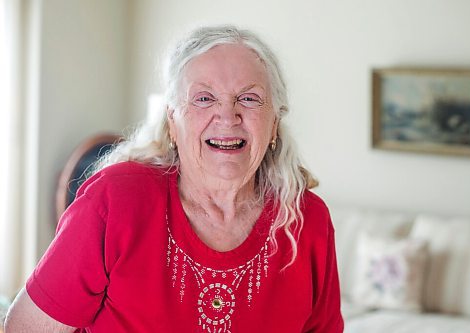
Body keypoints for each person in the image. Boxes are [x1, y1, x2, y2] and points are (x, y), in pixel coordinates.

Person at [5, 25, 344, 332]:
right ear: (173, 122)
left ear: (274, 124)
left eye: (249, 98)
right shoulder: (115, 199)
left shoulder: (308, 220)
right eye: (204, 98)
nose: (228, 115)